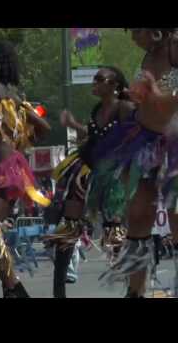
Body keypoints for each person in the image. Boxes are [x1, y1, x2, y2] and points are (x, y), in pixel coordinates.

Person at [89, 28, 178, 298]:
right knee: (138, 216)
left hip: (174, 144)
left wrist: (155, 95)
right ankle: (135, 291)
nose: (132, 38)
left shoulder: (176, 46)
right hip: (144, 143)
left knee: (176, 218)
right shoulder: (150, 55)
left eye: (135, 30)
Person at [0, 41, 51, 298]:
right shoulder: (9, 92)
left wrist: (13, 139)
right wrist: (20, 141)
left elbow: (37, 125)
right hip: (2, 169)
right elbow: (43, 128)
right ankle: (12, 288)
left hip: (1, 172)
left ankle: (14, 288)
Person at [45, 66, 132, 298]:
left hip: (112, 173)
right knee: (70, 224)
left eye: (100, 79)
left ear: (114, 86)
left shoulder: (123, 107)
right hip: (86, 167)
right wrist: (74, 126)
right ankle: (58, 290)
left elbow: (136, 133)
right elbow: (93, 135)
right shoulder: (97, 109)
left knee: (113, 230)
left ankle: (133, 287)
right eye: (94, 78)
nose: (94, 82)